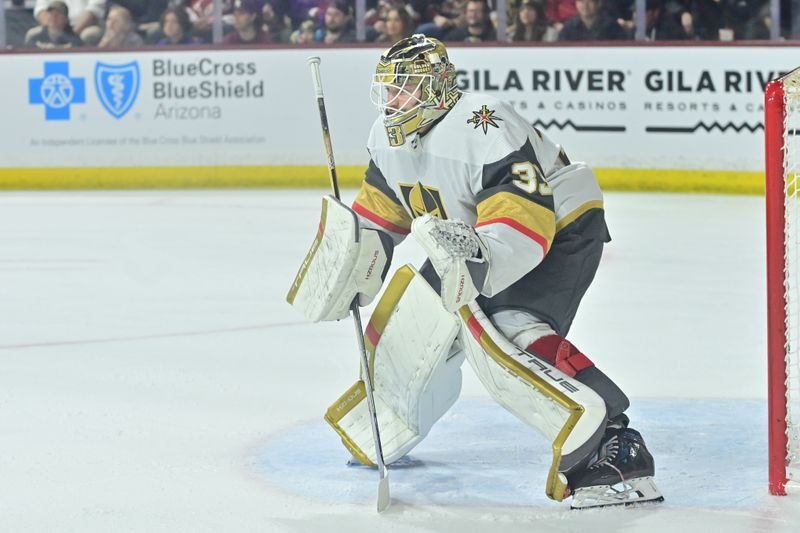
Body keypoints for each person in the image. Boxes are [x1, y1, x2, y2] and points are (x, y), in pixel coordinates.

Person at [288, 34, 663, 509]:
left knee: (505, 328)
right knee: (417, 318)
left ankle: (613, 443)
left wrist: (476, 269)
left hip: (558, 227)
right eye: (388, 88)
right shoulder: (387, 136)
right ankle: (389, 418)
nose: (392, 100)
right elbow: (383, 212)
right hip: (472, 239)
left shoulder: (485, 123)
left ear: (439, 87)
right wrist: (354, 262)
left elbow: (525, 222)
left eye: (405, 87)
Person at [32, 0, 105, 44]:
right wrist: (50, 29)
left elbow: (94, 8)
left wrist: (72, 34)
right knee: (32, 34)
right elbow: (40, 9)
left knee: (89, 34)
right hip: (55, 26)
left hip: (84, 26)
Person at [558, 0, 629, 40]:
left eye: (589, 2)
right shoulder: (569, 27)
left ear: (599, 3)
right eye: (581, 1)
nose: (585, 6)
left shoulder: (612, 26)